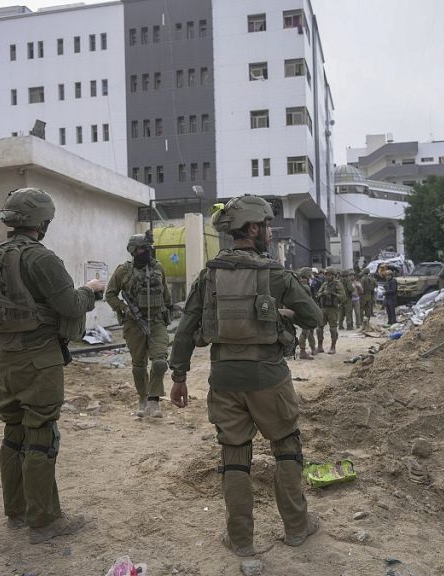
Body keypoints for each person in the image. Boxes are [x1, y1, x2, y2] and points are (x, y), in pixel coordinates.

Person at [168, 195, 323, 557]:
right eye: (266, 226)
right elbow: (314, 317)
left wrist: (178, 375)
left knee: (234, 456)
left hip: (224, 380)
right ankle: (297, 529)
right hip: (269, 377)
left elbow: (187, 328)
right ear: (253, 229)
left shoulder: (209, 275)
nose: (269, 232)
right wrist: (282, 311)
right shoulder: (276, 274)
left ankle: (240, 540)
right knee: (286, 447)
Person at [0, 187, 102, 544]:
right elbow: (69, 306)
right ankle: (45, 522)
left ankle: (16, 512)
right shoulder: (40, 258)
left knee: (13, 434)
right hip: (40, 358)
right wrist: (90, 290)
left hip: (7, 358)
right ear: (41, 221)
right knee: (41, 436)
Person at [105, 233, 172, 418]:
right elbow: (109, 294)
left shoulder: (158, 267)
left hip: (157, 321)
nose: (147, 251)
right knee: (139, 366)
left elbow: (165, 292)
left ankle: (154, 400)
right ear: (134, 251)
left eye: (148, 248)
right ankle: (142, 398)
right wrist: (123, 308)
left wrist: (171, 310)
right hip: (134, 324)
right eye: (143, 248)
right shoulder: (123, 271)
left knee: (159, 362)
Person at [316, 267, 346, 354]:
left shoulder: (338, 284)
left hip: (333, 309)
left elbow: (343, 297)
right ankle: (320, 346)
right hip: (323, 308)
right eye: (326, 275)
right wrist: (322, 294)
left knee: (333, 328)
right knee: (319, 328)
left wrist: (334, 294)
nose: (328, 277)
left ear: (333, 275)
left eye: (329, 275)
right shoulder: (324, 284)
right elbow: (317, 294)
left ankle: (333, 347)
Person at [295, 267, 317, 360]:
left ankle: (313, 348)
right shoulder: (305, 286)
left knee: (309, 331)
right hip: (305, 311)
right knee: (305, 332)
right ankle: (303, 351)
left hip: (301, 310)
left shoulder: (298, 285)